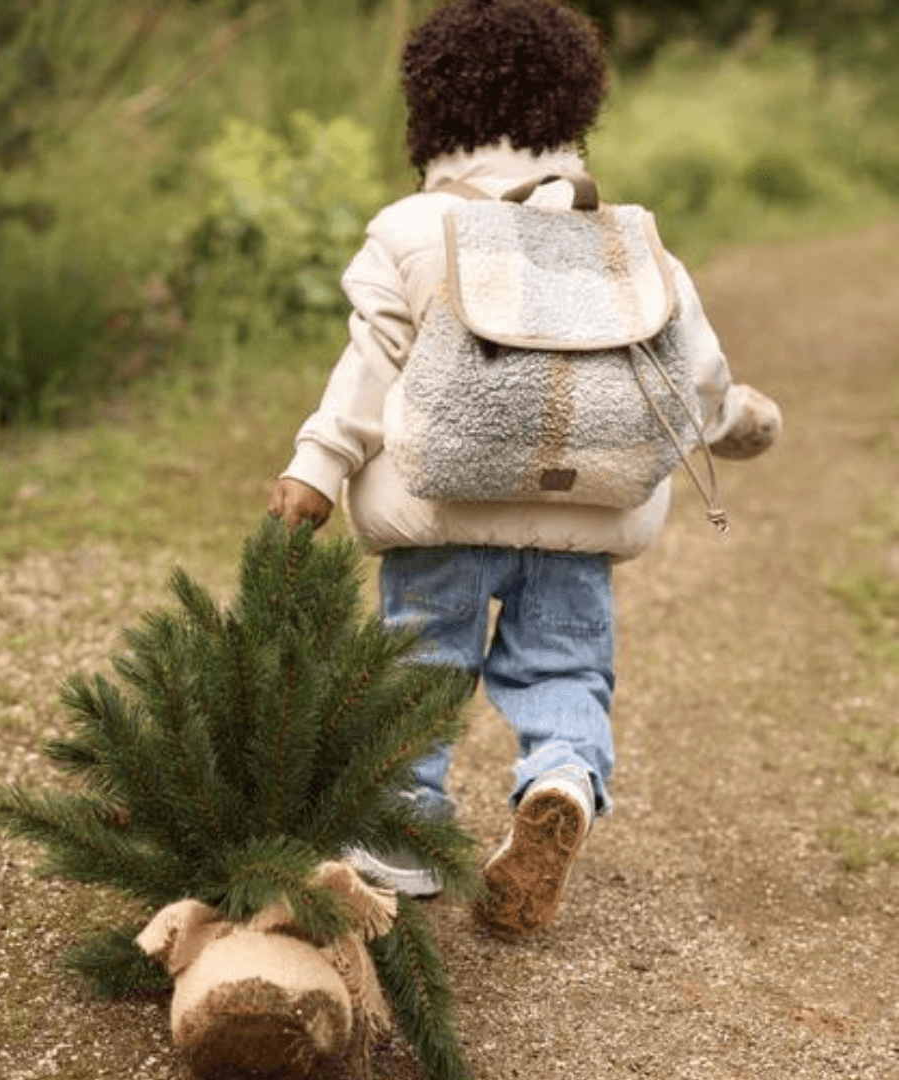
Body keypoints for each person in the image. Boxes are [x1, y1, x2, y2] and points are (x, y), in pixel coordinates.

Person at [268, 0, 781, 940]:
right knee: (566, 670)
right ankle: (561, 780)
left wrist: (316, 466)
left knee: (417, 669)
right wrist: (737, 420)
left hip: (443, 508)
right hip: (582, 517)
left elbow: (370, 366)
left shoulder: (414, 229)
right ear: (576, 115)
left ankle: (405, 836)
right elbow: (691, 373)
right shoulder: (628, 237)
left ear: (429, 113)